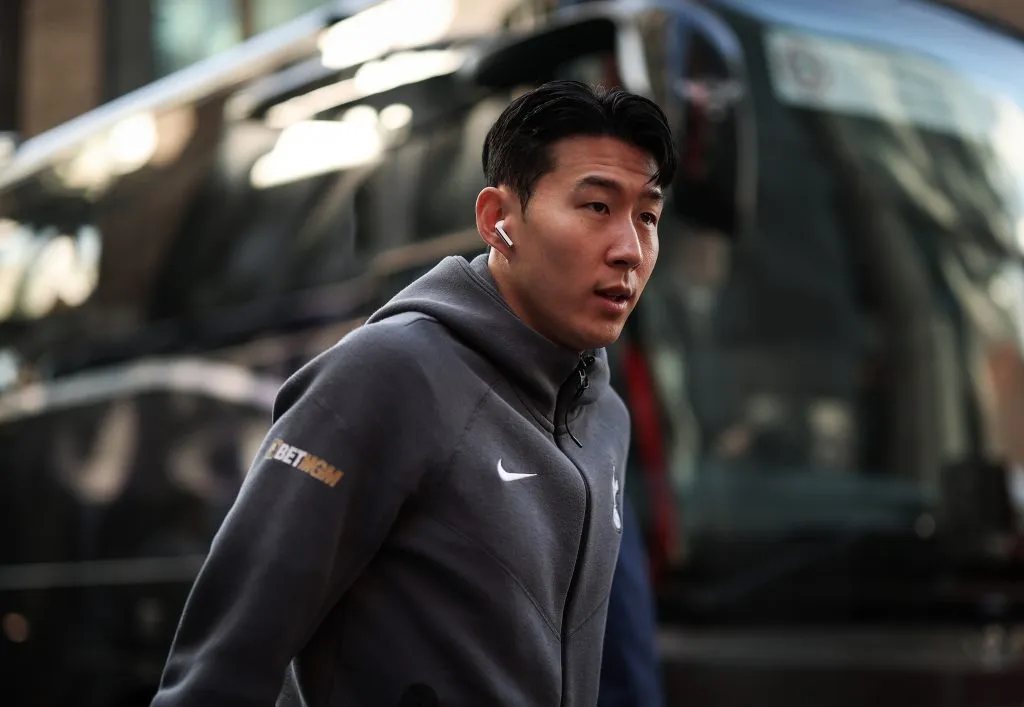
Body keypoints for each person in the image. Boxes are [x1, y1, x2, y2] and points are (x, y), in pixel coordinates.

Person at [150, 79, 675, 707]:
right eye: (596, 207)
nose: (630, 250)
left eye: (647, 216)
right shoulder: (386, 375)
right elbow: (220, 669)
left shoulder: (604, 417)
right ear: (497, 219)